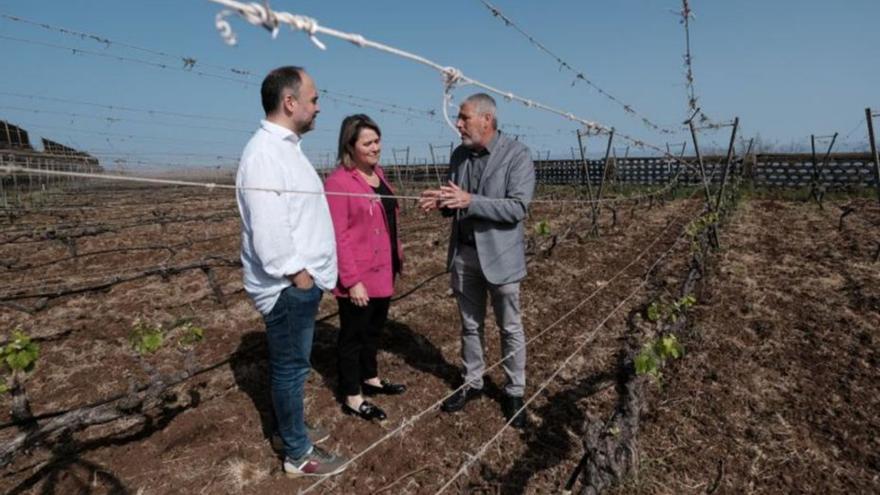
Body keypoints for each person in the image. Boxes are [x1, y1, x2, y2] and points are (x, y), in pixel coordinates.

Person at [235, 66, 348, 477]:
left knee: (293, 366)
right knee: (290, 368)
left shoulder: (285, 148)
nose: (319, 106)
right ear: (290, 103)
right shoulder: (264, 154)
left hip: (299, 283)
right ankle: (298, 454)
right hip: (288, 286)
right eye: (314, 99)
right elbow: (269, 231)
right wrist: (299, 277)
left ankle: (292, 428)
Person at [419, 93, 535, 429]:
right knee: (470, 325)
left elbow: (517, 207)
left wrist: (469, 200)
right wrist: (442, 201)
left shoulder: (517, 155)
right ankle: (473, 381)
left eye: (464, 117)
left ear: (486, 119)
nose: (458, 123)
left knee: (509, 327)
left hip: (501, 257)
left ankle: (514, 391)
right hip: (464, 254)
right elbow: (456, 202)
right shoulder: (459, 155)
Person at [324, 114, 406, 422]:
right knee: (352, 336)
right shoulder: (338, 182)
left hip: (383, 268)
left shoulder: (378, 175)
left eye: (377, 140)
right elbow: (338, 234)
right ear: (351, 146)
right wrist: (351, 280)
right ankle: (352, 395)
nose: (376, 147)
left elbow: (387, 218)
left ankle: (370, 377)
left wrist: (398, 252)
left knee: (374, 330)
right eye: (368, 143)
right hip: (358, 274)